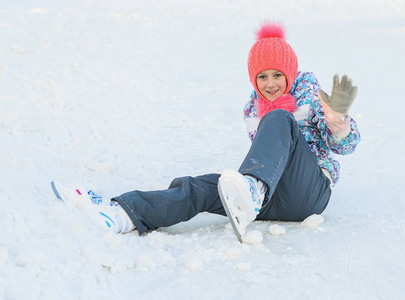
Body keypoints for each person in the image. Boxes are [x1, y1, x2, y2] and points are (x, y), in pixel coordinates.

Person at [51, 22, 361, 243]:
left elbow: (346, 147)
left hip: (310, 192)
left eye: (277, 75)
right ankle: (122, 214)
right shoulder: (252, 110)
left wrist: (338, 119)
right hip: (270, 198)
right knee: (201, 187)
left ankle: (251, 191)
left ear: (289, 74)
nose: (270, 83)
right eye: (262, 76)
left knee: (280, 119)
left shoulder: (309, 97)